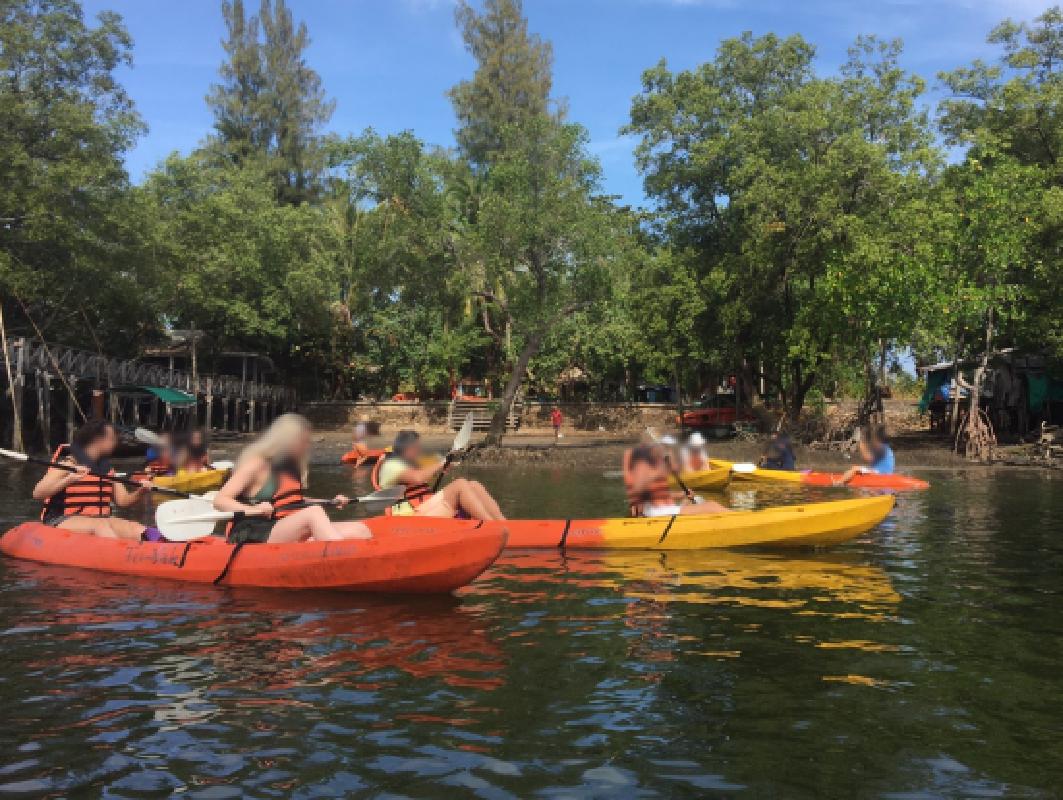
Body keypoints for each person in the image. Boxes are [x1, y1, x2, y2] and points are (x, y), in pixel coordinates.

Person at [214, 414, 372, 544]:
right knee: (314, 513)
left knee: (360, 529)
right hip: (254, 530)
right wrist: (254, 510)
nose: (307, 446)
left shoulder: (289, 467)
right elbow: (220, 500)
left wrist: (329, 501)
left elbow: (294, 501)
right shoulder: (256, 464)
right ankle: (340, 557)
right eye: (303, 441)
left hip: (283, 526)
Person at [34, 418, 152, 540]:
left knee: (135, 527)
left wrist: (141, 492)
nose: (115, 443)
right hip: (62, 519)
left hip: (99, 519)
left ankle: (159, 550)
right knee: (101, 526)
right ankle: (117, 555)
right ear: (97, 440)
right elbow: (38, 493)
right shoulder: (68, 464)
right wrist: (69, 479)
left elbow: (123, 500)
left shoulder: (107, 469)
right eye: (111, 439)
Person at [375, 430, 505, 520]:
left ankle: (504, 524)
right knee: (460, 484)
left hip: (423, 509)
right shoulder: (390, 466)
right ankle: (493, 528)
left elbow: (425, 473)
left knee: (473, 485)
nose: (419, 450)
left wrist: (444, 465)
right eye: (416, 447)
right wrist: (441, 463)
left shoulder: (410, 463)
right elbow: (418, 477)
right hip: (408, 519)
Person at [623, 444, 729, 517]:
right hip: (657, 513)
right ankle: (739, 518)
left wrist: (683, 495)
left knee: (690, 502)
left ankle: (733, 517)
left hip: (659, 510)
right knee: (711, 506)